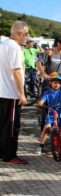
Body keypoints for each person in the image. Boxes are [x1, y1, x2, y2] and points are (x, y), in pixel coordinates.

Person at [0, 21, 28, 165]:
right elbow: (17, 72)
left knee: (3, 124)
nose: (27, 37)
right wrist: (21, 94)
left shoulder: (3, 45)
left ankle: (3, 152)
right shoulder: (14, 48)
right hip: (11, 92)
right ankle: (9, 155)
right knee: (11, 126)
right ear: (18, 34)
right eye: (26, 34)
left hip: (2, 92)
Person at [35, 73, 61, 159]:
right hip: (52, 113)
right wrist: (40, 104)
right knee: (46, 127)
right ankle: (41, 145)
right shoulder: (47, 92)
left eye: (58, 83)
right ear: (50, 83)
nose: (56, 84)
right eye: (54, 82)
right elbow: (42, 101)